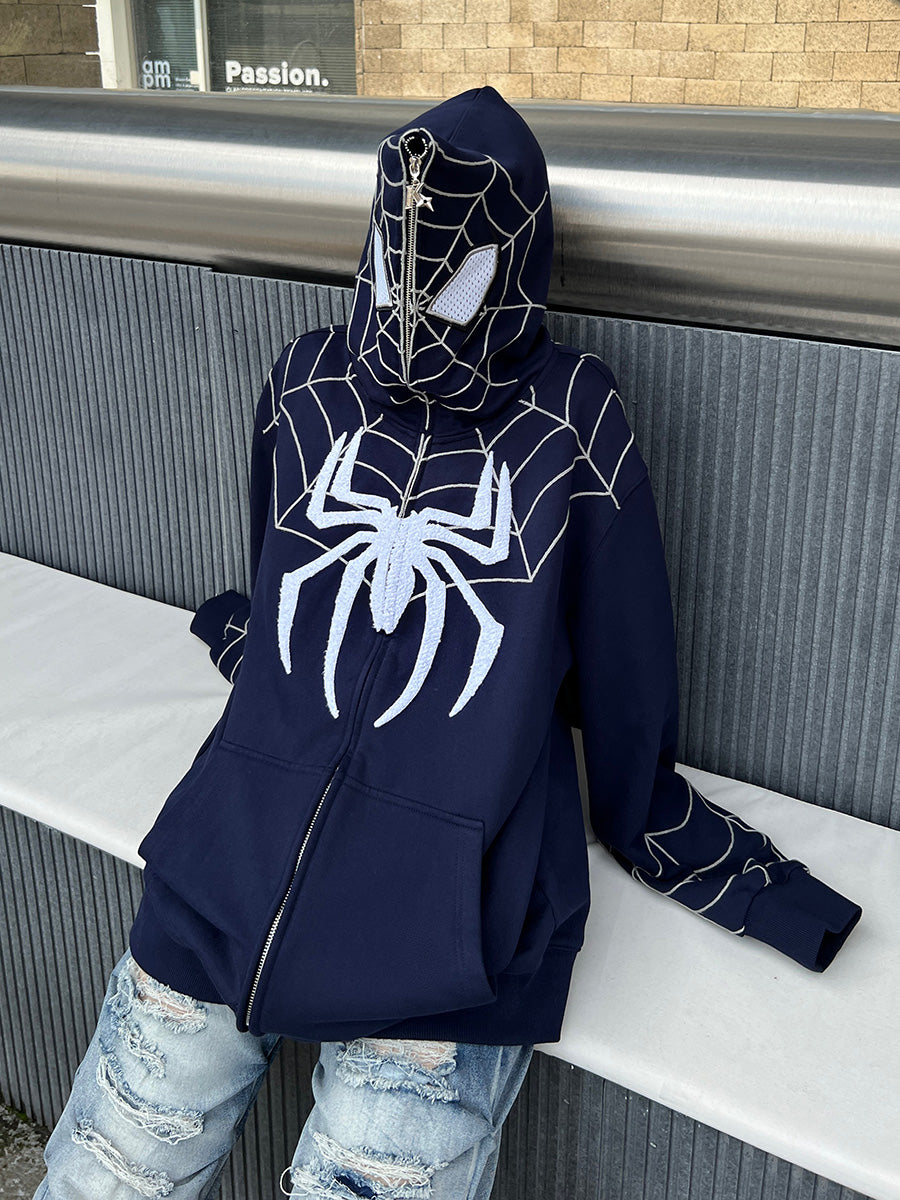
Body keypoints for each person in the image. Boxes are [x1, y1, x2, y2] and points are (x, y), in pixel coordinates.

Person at [34, 86, 862, 1200]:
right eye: (399, 259)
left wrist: (745, 882)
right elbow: (287, 591)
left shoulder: (574, 416)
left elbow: (628, 679)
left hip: (452, 917)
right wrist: (252, 653)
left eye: (456, 274)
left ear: (513, 258)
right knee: (105, 1175)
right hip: (229, 863)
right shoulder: (306, 377)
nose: (418, 300)